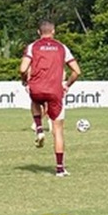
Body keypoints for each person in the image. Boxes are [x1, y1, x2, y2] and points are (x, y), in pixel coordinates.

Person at [19, 20, 81, 176]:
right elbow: (76, 72)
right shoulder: (62, 47)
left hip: (37, 88)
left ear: (39, 32)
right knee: (58, 130)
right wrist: (66, 85)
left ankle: (39, 127)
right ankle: (60, 169)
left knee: (35, 100)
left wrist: (24, 80)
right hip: (55, 91)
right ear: (53, 31)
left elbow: (22, 68)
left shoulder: (33, 46)